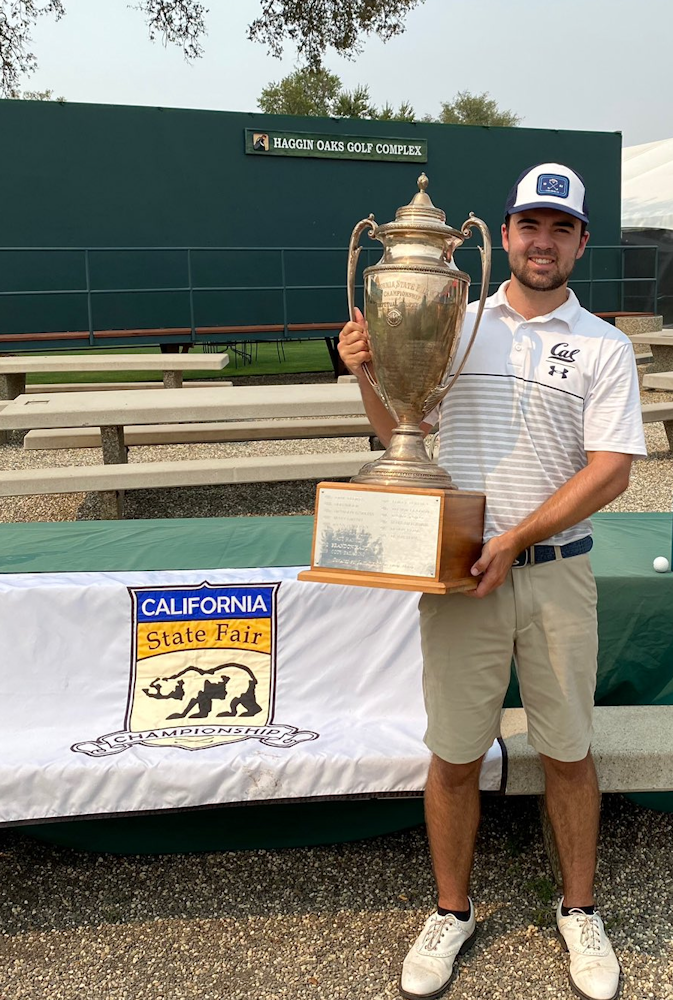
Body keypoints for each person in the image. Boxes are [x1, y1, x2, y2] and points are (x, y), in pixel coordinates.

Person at [338, 163, 647, 1000]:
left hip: (552, 574)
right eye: (528, 226)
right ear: (502, 234)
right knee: (452, 754)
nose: (541, 242)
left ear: (580, 242)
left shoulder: (603, 345)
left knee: (568, 753)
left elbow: (611, 471)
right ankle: (451, 911)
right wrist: (368, 369)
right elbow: (403, 431)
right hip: (455, 577)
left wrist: (514, 538)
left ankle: (578, 909)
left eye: (560, 228)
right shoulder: (453, 319)